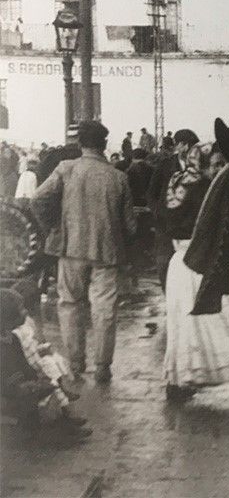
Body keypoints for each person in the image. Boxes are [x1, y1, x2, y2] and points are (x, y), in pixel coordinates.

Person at [31, 120, 136, 384]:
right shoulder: (119, 177)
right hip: (108, 252)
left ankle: (76, 363)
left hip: (71, 248)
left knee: (69, 305)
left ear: (80, 144)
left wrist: (54, 227)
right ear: (104, 145)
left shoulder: (66, 169)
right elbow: (131, 225)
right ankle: (103, 367)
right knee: (105, 310)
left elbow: (38, 199)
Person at [162, 144, 229, 409]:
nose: (220, 170)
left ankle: (178, 382)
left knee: (186, 328)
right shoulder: (208, 192)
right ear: (204, 163)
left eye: (222, 165)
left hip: (185, 264)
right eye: (216, 165)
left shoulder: (180, 182)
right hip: (203, 263)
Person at [0, 289, 91, 446]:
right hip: (8, 387)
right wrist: (23, 384)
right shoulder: (3, 344)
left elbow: (22, 363)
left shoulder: (11, 338)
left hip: (17, 382)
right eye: (21, 309)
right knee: (36, 395)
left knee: (50, 383)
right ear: (8, 317)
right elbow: (7, 372)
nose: (25, 311)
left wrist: (35, 376)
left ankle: (63, 423)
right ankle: (46, 432)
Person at [147, 129, 200, 290]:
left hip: (191, 227)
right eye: (190, 146)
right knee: (164, 265)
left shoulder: (200, 166)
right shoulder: (165, 165)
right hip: (166, 227)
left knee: (192, 271)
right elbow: (151, 194)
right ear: (181, 146)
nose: (193, 150)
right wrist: (160, 213)